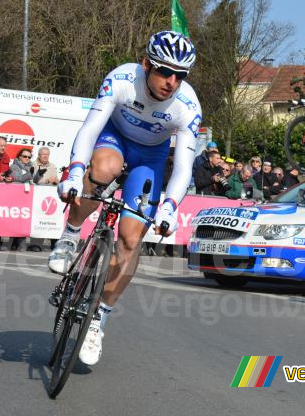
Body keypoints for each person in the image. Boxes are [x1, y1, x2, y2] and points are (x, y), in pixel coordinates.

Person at [50, 30, 201, 366]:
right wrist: (76, 172)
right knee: (104, 170)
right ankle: (70, 235)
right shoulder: (121, 78)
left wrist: (170, 208)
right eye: (163, 71)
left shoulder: (188, 106)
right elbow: (90, 128)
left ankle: (98, 319)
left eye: (180, 76)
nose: (171, 82)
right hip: (114, 137)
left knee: (131, 240)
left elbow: (184, 167)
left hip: (150, 159)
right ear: (146, 64)